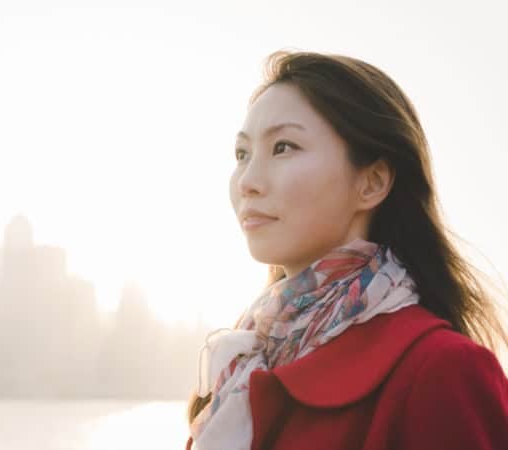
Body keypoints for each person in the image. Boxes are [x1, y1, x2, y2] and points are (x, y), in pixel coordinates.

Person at [184, 50, 508, 450]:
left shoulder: (441, 370)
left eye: (283, 147)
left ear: (372, 182)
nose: (247, 181)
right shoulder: (242, 362)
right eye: (242, 154)